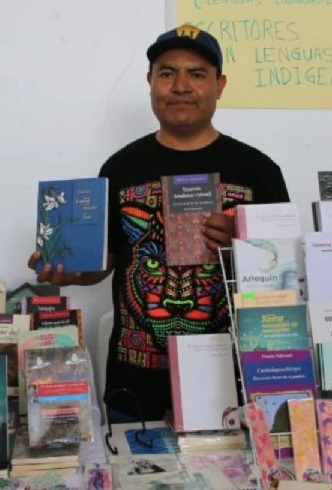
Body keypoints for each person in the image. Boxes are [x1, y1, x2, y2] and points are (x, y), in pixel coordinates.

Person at [27, 25, 290, 423]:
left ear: (219, 86)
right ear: (150, 82)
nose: (181, 86)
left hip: (236, 380)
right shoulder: (120, 168)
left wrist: (245, 249)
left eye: (197, 74)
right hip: (136, 385)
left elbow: (287, 277)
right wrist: (73, 272)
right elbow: (106, 261)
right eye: (167, 73)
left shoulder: (258, 172)